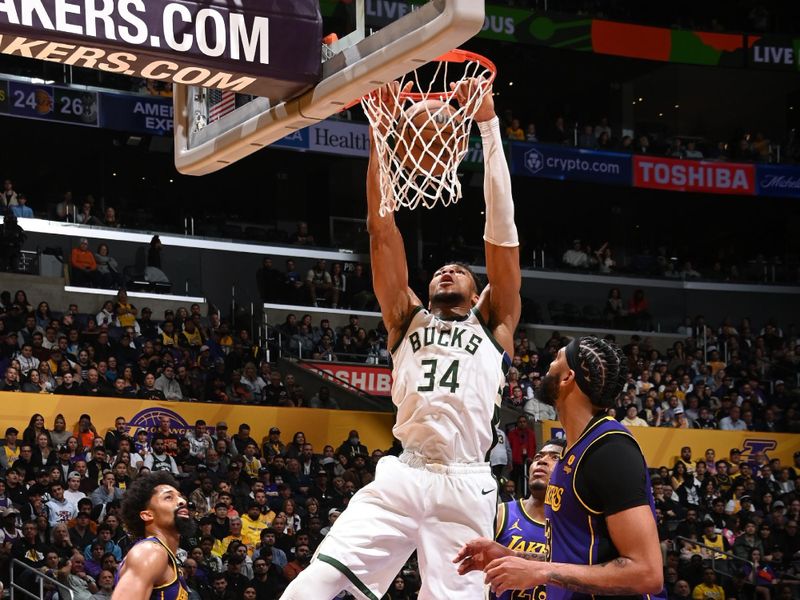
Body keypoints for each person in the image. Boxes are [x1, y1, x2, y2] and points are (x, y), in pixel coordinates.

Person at [280, 76, 521, 599]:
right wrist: (380, 132)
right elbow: (381, 230)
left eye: (460, 269)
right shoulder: (405, 319)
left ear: (478, 289)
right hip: (403, 473)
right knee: (311, 587)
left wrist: (488, 126)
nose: (447, 272)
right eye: (440, 269)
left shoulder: (494, 322)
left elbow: (502, 239)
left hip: (466, 481)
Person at [455, 336, 665, 600]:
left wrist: (541, 572)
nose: (548, 365)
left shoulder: (610, 449)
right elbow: (576, 555)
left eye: (557, 359)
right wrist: (516, 557)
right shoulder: (570, 451)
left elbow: (647, 573)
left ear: (568, 378)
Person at [490, 439, 565, 600]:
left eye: (555, 457)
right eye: (538, 457)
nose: (542, 461)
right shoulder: (502, 513)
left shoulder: (577, 526)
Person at [111, 472, 193, 600]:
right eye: (169, 497)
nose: (182, 501)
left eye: (180, 496)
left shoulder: (162, 554)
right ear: (147, 515)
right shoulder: (150, 551)